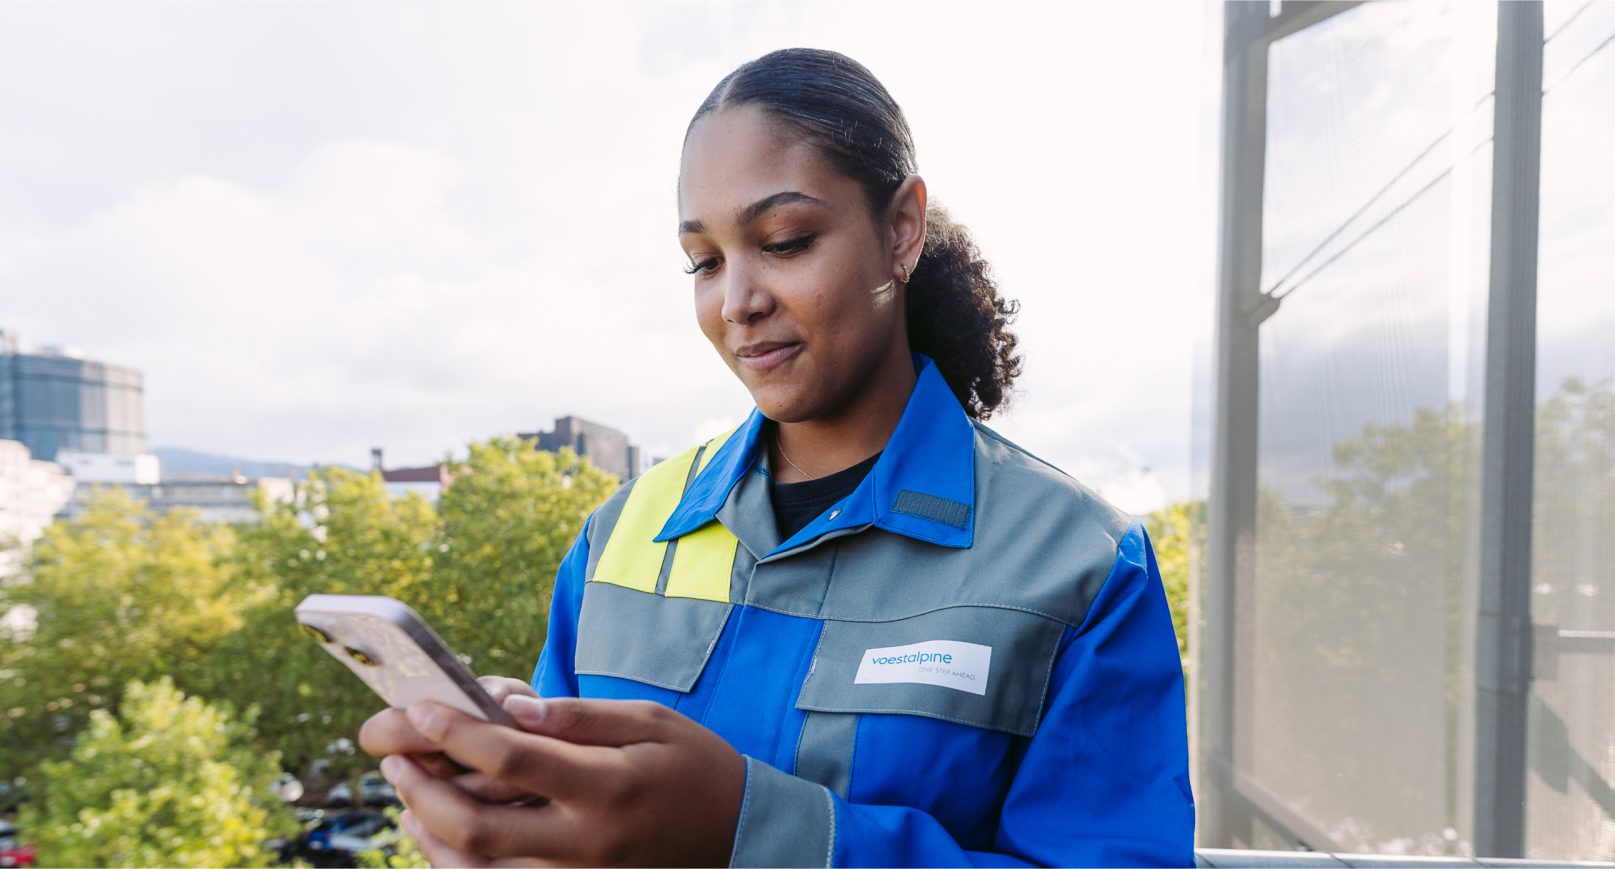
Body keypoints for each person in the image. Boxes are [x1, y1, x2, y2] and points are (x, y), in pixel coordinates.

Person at [359, 47, 1194, 867]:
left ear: (901, 228)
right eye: (704, 261)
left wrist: (749, 834)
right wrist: (512, 791)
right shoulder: (619, 535)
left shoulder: (1080, 565)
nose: (737, 301)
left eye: (787, 240)